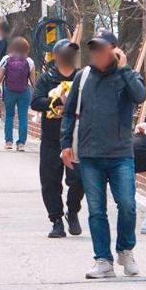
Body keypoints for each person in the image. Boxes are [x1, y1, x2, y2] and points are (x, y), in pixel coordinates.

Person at [60, 31, 146, 280]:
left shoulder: (128, 76)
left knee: (127, 205)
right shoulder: (83, 76)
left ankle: (125, 250)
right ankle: (103, 260)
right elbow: (69, 112)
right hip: (90, 154)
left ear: (114, 50)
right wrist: (65, 144)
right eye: (94, 49)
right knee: (96, 210)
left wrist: (125, 67)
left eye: (102, 48)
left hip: (120, 153)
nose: (96, 53)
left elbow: (140, 96)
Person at [31, 39, 83, 239]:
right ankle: (56, 220)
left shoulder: (82, 77)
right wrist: (57, 101)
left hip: (76, 138)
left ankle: (73, 210)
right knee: (50, 181)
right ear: (57, 56)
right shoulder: (47, 78)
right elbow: (36, 101)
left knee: (78, 179)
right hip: (52, 137)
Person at [0, 36, 37, 151]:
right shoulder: (29, 61)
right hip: (24, 91)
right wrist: (37, 92)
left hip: (9, 91)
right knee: (23, 117)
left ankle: (8, 142)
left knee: (9, 115)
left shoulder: (6, 59)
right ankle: (21, 143)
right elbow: (33, 81)